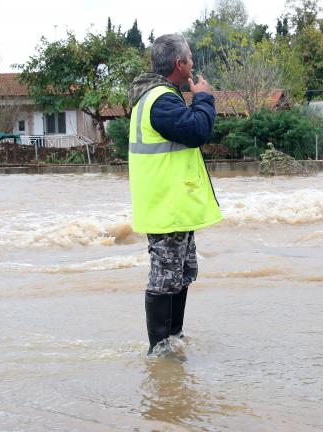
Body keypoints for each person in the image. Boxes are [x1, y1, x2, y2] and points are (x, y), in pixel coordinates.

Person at [127, 34, 222, 355]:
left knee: (181, 273)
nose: (193, 64)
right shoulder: (160, 100)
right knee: (165, 277)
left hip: (172, 205)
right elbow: (197, 131)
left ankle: (173, 339)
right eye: (190, 59)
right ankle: (160, 350)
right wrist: (205, 98)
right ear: (179, 65)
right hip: (166, 207)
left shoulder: (158, 96)